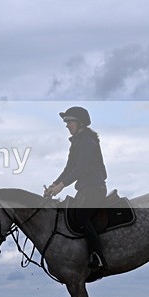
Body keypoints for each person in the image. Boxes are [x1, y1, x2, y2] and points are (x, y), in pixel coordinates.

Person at [43, 106, 108, 270]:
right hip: (85, 189)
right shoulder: (78, 142)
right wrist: (54, 185)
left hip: (94, 188)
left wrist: (62, 186)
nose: (67, 125)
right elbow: (68, 169)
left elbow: (79, 169)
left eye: (69, 122)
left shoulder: (86, 141)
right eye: (66, 122)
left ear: (79, 123)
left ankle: (98, 256)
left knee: (81, 217)